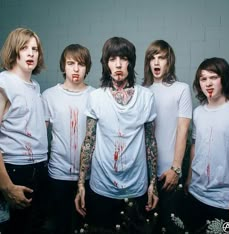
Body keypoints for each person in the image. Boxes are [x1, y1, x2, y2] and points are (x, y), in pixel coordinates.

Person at [74, 37, 158, 232]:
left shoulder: (146, 97)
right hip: (101, 186)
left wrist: (152, 184)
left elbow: (150, 143)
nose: (118, 64)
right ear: (106, 64)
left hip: (136, 187)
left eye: (123, 58)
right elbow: (89, 141)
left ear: (131, 62)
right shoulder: (95, 97)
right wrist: (81, 184)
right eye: (112, 59)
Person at [42, 44, 95, 234]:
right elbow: (41, 135)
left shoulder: (95, 96)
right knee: (61, 225)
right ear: (63, 66)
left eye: (81, 64)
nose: (75, 69)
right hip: (58, 174)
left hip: (90, 176)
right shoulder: (49, 96)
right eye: (70, 63)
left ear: (87, 68)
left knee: (85, 226)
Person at [0, 28, 48, 234]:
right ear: (14, 51)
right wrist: (6, 186)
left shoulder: (35, 86)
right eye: (24, 48)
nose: (31, 53)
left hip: (39, 169)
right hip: (14, 170)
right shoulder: (4, 83)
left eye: (35, 49)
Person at [143, 40, 192, 233]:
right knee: (146, 226)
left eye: (161, 58)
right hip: (144, 174)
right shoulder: (142, 91)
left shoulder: (181, 88)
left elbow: (183, 130)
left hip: (169, 172)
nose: (156, 62)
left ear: (169, 61)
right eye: (152, 58)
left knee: (171, 226)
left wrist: (176, 168)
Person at [184, 57, 229, 232]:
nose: (208, 83)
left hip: (225, 200)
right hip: (196, 194)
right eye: (203, 78)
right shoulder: (198, 112)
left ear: (224, 78)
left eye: (213, 77)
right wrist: (189, 178)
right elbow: (194, 147)